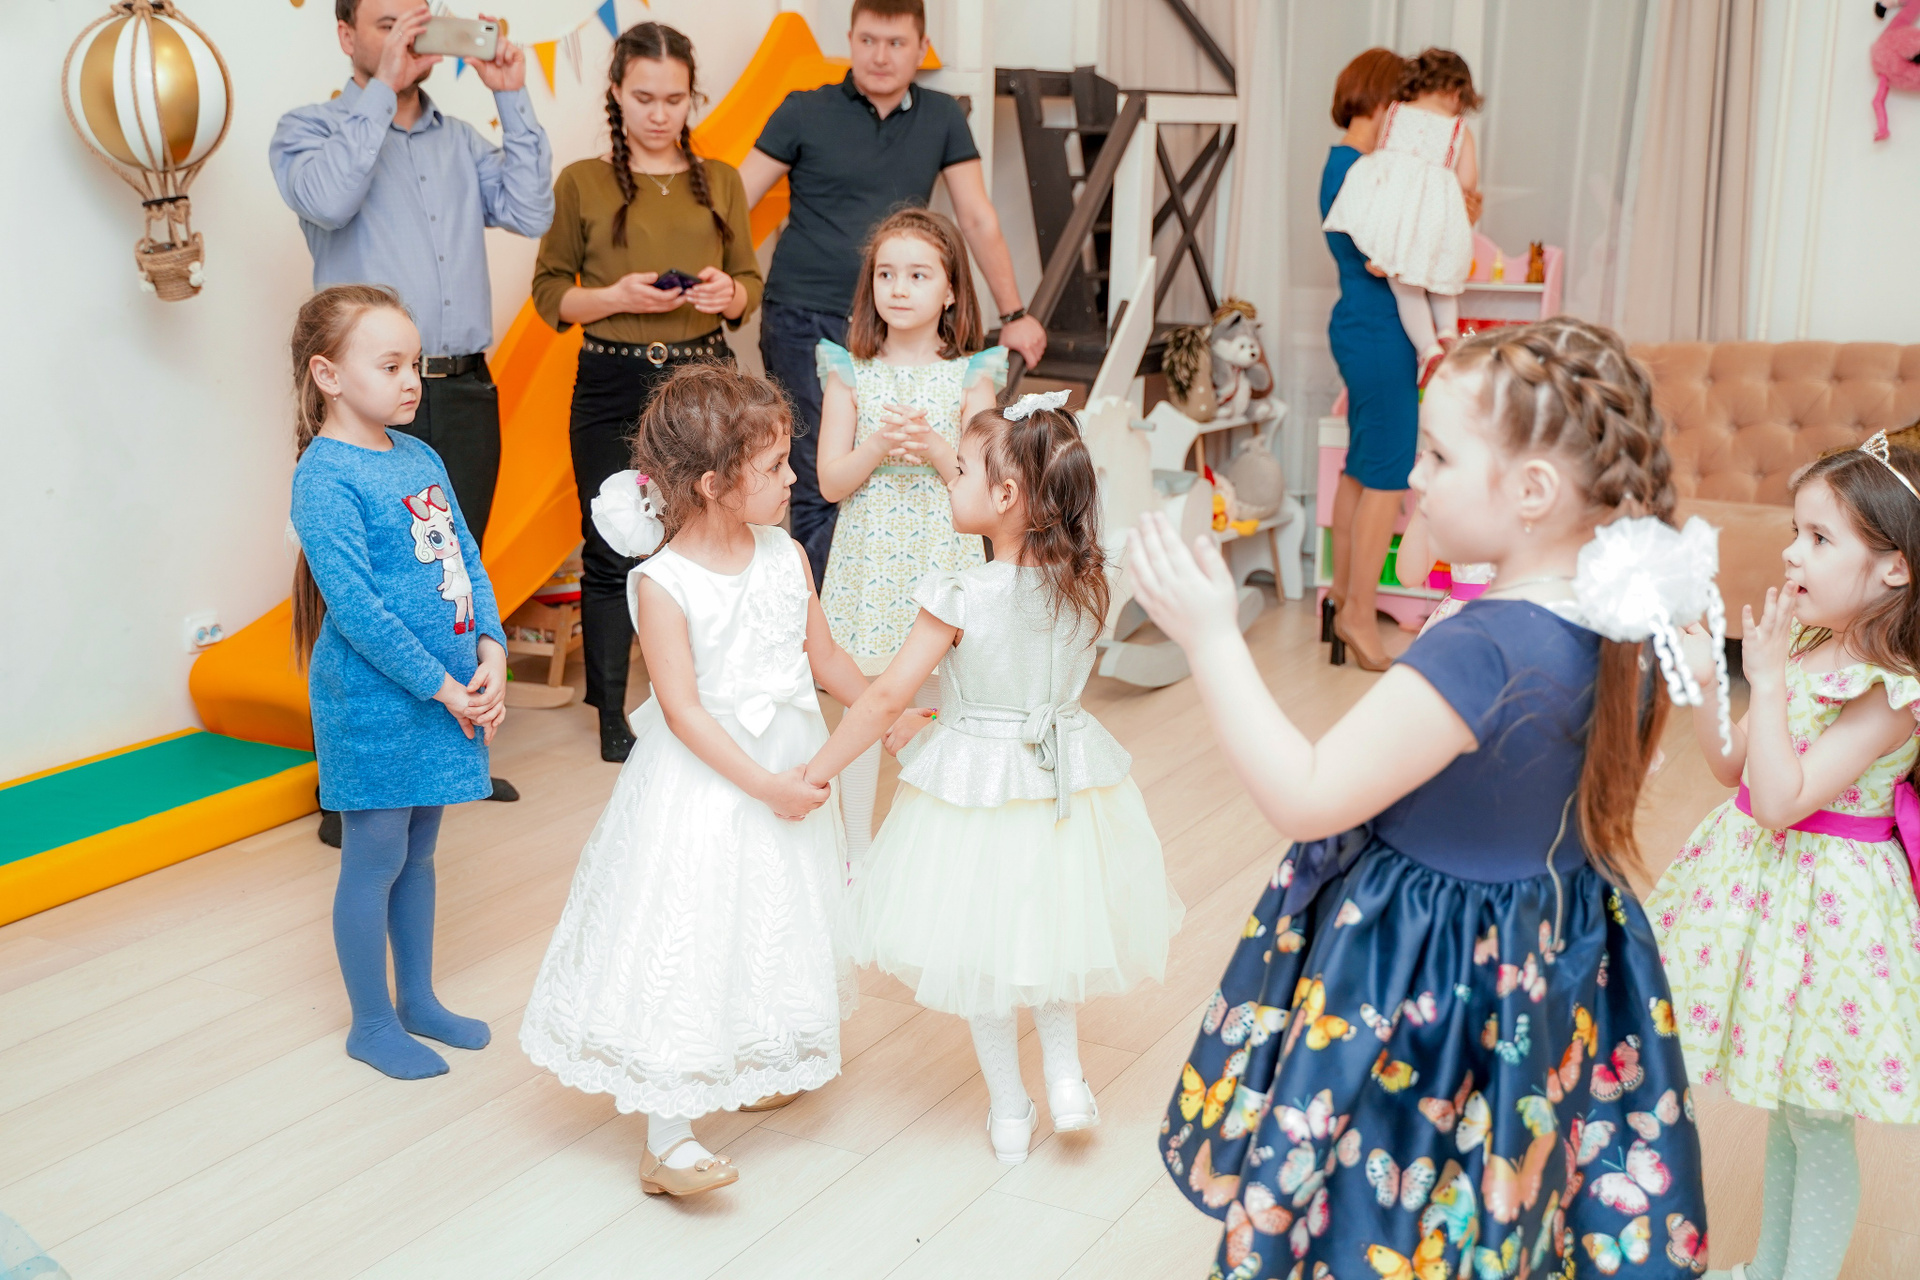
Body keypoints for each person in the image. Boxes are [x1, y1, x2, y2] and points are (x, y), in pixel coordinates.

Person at [1127, 319, 1710, 1280]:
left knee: (1381, 1209)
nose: (1414, 473)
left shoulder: (1482, 650)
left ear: (1532, 491)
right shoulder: (1625, 622)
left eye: (1439, 455)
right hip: (1540, 955)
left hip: (1425, 973)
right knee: (1491, 1195)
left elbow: (1306, 795)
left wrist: (1212, 639)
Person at [803, 392, 1184, 1165]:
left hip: (976, 790)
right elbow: (1028, 677)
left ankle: (1011, 1109)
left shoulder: (960, 593)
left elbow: (884, 696)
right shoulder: (1087, 582)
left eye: (963, 470)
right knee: (1049, 928)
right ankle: (1067, 1080)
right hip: (1062, 781)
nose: (951, 480)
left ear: (1005, 496)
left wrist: (816, 772)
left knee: (979, 947)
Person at [520, 366, 865, 1197]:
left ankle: (758, 1053)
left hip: (787, 765)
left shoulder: (786, 554)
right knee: (693, 929)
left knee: (772, 914)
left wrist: (887, 709)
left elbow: (824, 659)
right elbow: (681, 712)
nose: (794, 478)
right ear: (713, 484)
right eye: (775, 466)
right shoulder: (663, 582)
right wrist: (767, 787)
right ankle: (666, 1137)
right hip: (710, 785)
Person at [273, 0, 550, 824]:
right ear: (346, 35)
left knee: (450, 573)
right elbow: (328, 201)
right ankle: (348, 787)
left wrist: (510, 94)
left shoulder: (459, 140)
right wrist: (382, 91)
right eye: (385, 20)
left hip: (459, 387)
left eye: (416, 18)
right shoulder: (308, 130)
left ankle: (451, 754)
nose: (406, 35)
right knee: (352, 592)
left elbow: (531, 211)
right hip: (359, 401)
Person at [1650, 436, 1920, 1280]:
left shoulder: (1891, 689)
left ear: (1896, 568)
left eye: (1820, 538)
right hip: (1769, 896)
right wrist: (1711, 682)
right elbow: (1736, 769)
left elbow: (1782, 800)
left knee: (1818, 1118)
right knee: (1790, 1106)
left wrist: (1764, 681)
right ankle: (1768, 1269)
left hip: (1831, 914)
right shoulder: (1805, 644)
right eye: (1794, 532)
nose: (1792, 553)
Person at [738, 0, 1047, 585]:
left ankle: (907, 609)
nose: (880, 56)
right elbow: (736, 198)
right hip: (803, 317)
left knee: (927, 470)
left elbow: (976, 217)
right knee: (813, 482)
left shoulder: (942, 116)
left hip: (901, 328)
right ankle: (819, 625)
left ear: (922, 47)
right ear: (851, 39)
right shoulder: (803, 109)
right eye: (868, 40)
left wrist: (1015, 312)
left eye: (897, 43)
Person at [288, 285, 506, 1081]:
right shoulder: (324, 477)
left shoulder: (421, 457)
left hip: (444, 691)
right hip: (375, 703)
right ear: (329, 375)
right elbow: (358, 612)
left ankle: (417, 1000)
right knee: (375, 854)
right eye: (390, 366)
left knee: (420, 851)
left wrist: (492, 647)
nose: (412, 380)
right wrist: (443, 687)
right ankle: (372, 1023)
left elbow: (467, 560)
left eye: (414, 363)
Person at [531, 21, 761, 763]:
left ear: (692, 97)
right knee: (611, 545)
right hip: (610, 376)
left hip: (702, 378)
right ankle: (612, 715)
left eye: (674, 99)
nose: (660, 114)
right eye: (643, 97)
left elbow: (748, 285)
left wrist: (728, 294)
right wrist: (614, 296)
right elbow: (549, 293)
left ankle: (705, 700)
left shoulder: (721, 180)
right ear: (616, 94)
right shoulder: (581, 181)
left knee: (707, 534)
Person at [815, 208, 1006, 872]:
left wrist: (933, 446)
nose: (898, 288)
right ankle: (857, 853)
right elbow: (830, 482)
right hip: (867, 561)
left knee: (936, 707)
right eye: (886, 274)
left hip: (941, 556)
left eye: (919, 275)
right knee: (865, 704)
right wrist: (875, 445)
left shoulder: (972, 376)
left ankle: (927, 857)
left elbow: (983, 487)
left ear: (951, 290)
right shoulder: (848, 371)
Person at [1318, 49, 1483, 673]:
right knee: (1387, 476)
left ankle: (1342, 602)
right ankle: (1359, 616)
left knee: (1362, 471)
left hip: (1368, 330)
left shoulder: (1358, 164)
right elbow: (1387, 253)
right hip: (1380, 332)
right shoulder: (1360, 167)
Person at [1323, 49, 1482, 388]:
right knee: (1442, 283)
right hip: (1375, 329)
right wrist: (1453, 204)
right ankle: (1448, 333)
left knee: (1407, 288)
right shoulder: (1459, 129)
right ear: (1458, 94)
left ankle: (1428, 349)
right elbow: (1468, 182)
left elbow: (1379, 175)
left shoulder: (1395, 119)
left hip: (1396, 238)